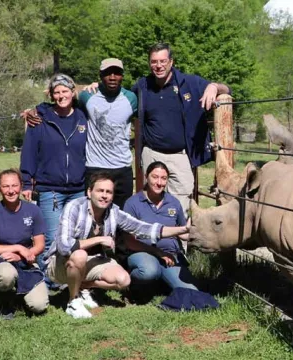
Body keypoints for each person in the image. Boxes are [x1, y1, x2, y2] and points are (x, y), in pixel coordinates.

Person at [85, 43, 230, 214]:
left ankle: (177, 240)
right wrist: (99, 85)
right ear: (149, 63)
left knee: (180, 206)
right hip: (151, 154)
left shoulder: (189, 83)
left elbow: (227, 88)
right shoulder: (142, 86)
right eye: (154, 62)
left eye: (163, 61)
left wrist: (214, 87)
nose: (158, 66)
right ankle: (151, 239)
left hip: (181, 156)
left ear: (171, 62)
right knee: (151, 206)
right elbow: (119, 94)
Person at [43, 172, 190, 319]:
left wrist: (182, 229)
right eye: (100, 191)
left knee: (123, 280)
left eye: (109, 192)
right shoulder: (74, 207)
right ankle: (73, 302)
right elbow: (64, 246)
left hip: (93, 261)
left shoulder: (114, 211)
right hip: (61, 264)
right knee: (79, 255)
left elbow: (143, 228)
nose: (104, 196)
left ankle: (83, 286)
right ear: (89, 192)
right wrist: (99, 239)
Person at [26, 59, 137, 208]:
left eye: (116, 73)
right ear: (100, 75)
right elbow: (63, 101)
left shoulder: (132, 98)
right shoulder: (88, 96)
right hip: (95, 167)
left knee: (121, 218)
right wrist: (37, 110)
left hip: (122, 168)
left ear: (122, 75)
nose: (112, 77)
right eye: (107, 73)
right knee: (92, 220)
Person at [19, 73, 89, 285]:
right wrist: (26, 181)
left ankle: (71, 279)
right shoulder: (40, 118)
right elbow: (29, 151)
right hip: (50, 189)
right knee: (50, 238)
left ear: (72, 92)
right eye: (56, 92)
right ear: (51, 94)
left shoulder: (83, 117)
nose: (61, 96)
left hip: (78, 187)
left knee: (74, 238)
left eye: (65, 91)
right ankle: (47, 283)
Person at [0, 169, 49, 317]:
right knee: (6, 275)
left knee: (39, 306)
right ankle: (4, 301)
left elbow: (40, 245)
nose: (11, 191)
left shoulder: (33, 210)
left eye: (14, 186)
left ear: (21, 186)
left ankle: (19, 295)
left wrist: (23, 255)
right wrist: (18, 248)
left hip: (26, 261)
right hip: (1, 260)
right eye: (5, 186)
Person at [121, 161, 198, 298]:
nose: (159, 182)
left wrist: (197, 235)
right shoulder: (133, 203)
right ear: (146, 177)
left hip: (171, 255)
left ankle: (162, 282)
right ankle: (132, 284)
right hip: (142, 253)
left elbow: (182, 232)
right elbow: (129, 241)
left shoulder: (173, 202)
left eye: (163, 178)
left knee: (191, 292)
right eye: (155, 177)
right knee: (149, 271)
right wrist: (157, 252)